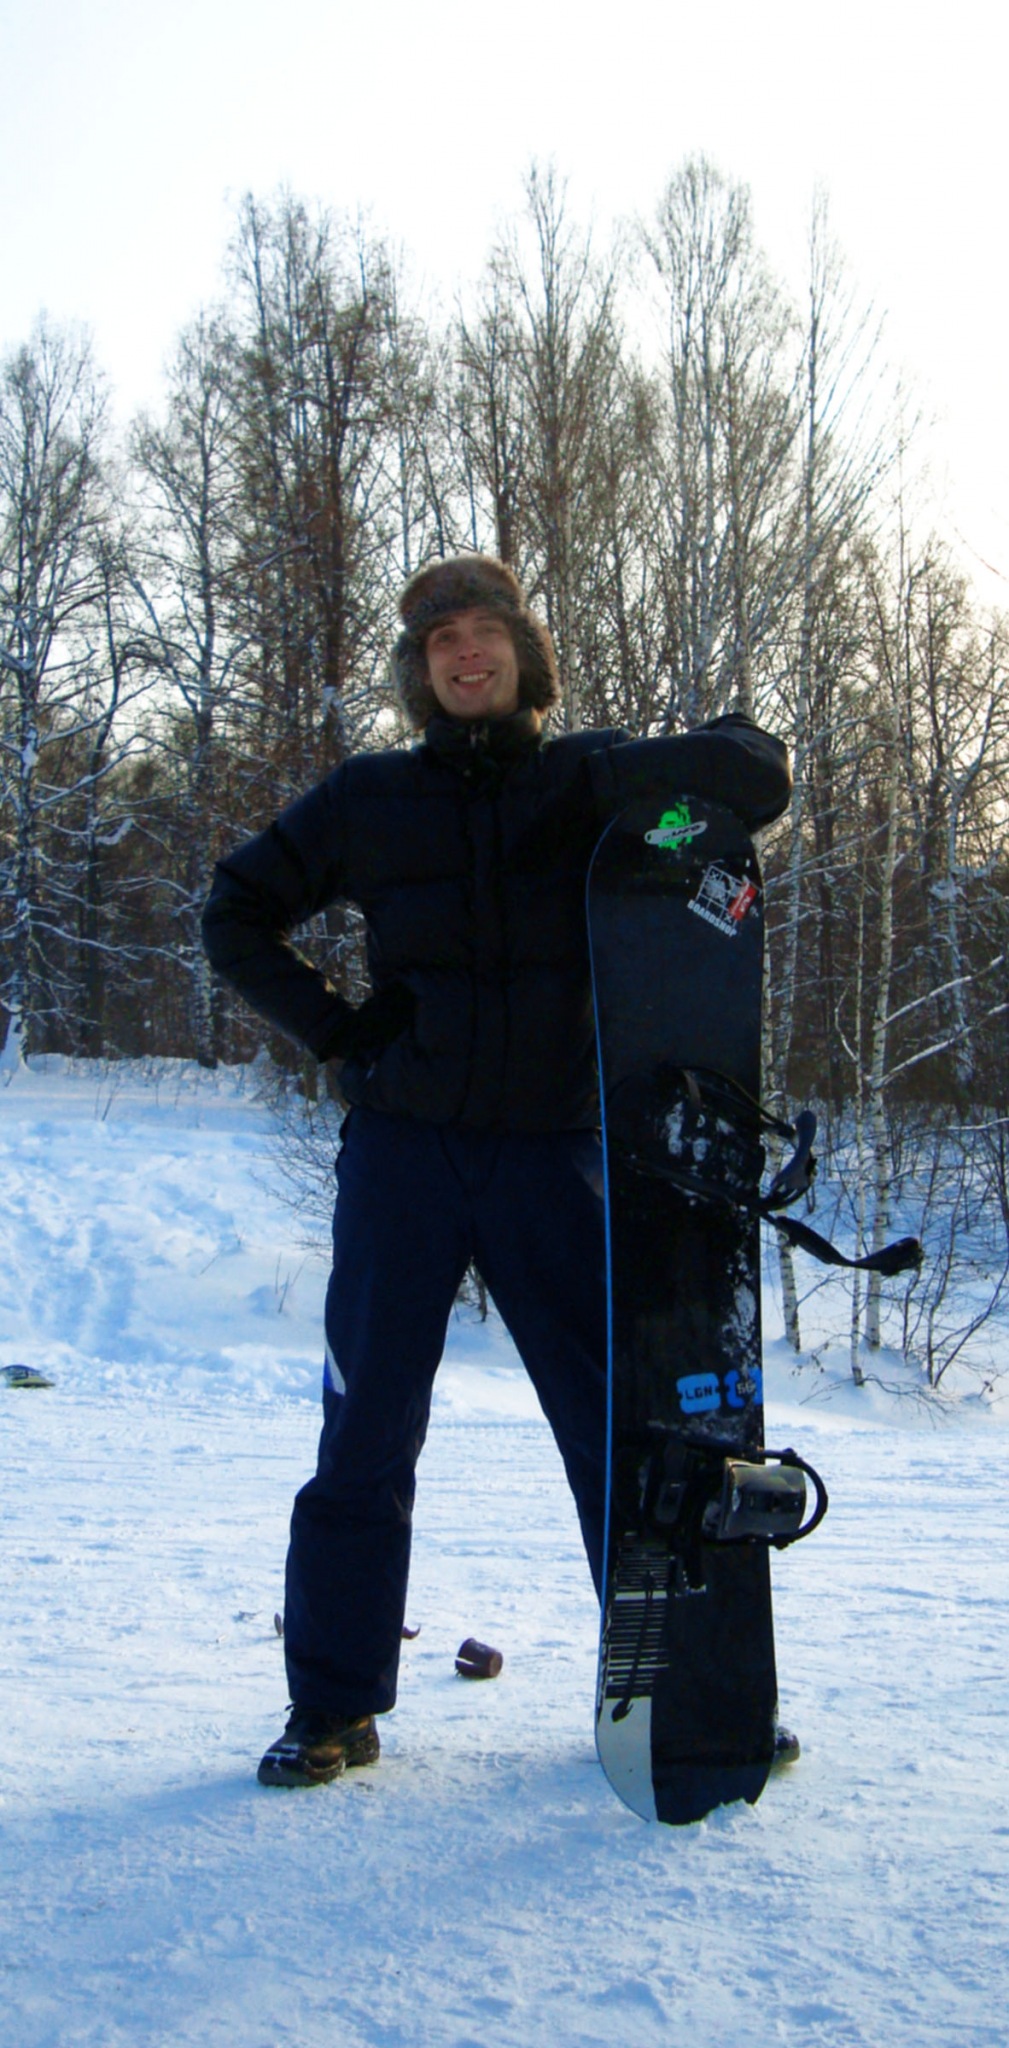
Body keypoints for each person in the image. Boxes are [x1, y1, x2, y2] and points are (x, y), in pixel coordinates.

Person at [201, 554, 791, 1788]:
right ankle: (332, 1704)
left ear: (526, 652)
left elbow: (754, 779)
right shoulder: (368, 797)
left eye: (485, 633)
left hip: (551, 1158)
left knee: (619, 1428)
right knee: (364, 1430)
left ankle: (686, 1686)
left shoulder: (587, 777)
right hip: (404, 1157)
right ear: (419, 672)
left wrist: (699, 752)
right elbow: (235, 910)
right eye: (440, 642)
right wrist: (339, 1030)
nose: (465, 654)